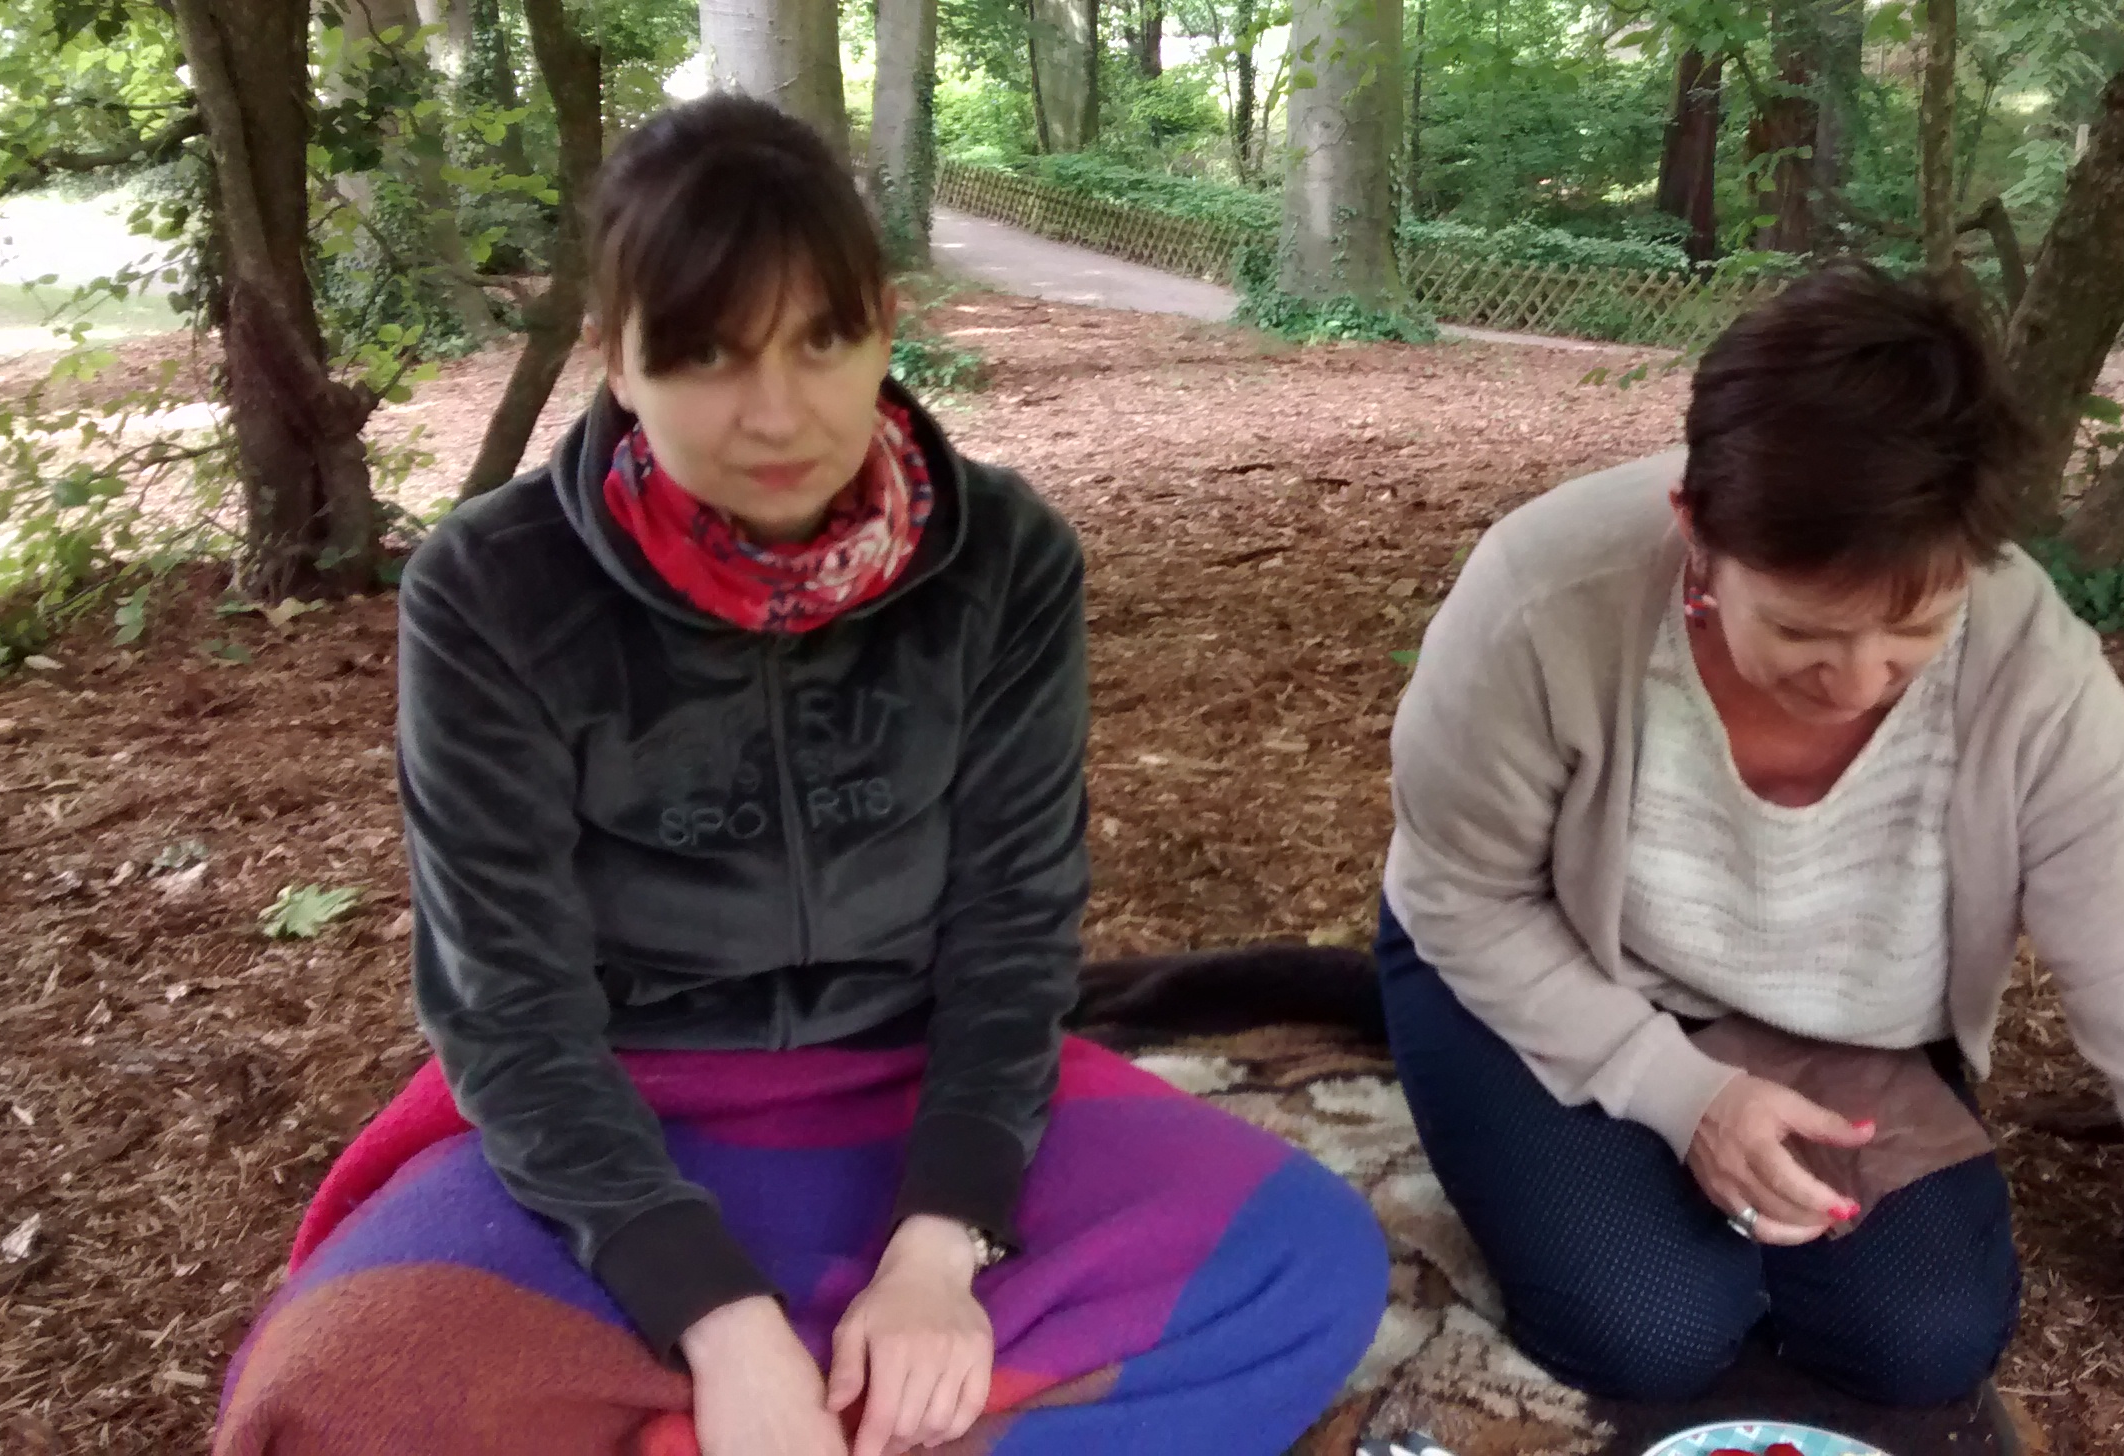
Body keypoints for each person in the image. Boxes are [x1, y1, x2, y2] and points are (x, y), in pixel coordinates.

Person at [215, 94, 1386, 1456]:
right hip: (629, 1106)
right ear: (616, 358)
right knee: (338, 1395)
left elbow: (1012, 932)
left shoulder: (1005, 559)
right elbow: (510, 1010)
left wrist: (941, 1250)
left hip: (916, 1082)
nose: (776, 412)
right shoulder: (491, 589)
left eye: (822, 339)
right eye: (706, 351)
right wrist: (720, 1322)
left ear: (884, 324)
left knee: (1308, 1267)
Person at [1376, 264, 2124, 1456]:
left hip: (1830, 1014)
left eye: (1916, 627)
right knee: (1651, 1325)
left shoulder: (2031, 671)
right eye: (1802, 628)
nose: (1858, 681)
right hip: (1540, 956)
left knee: (1921, 1338)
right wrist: (1680, 1095)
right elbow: (1460, 895)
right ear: (1697, 532)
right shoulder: (1548, 597)